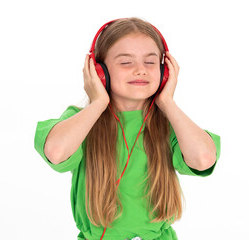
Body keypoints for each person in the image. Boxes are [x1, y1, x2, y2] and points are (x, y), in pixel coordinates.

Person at [34, 17, 221, 240]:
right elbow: (56, 151)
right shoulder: (81, 120)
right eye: (126, 62)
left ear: (165, 72)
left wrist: (168, 102)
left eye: (150, 63)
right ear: (99, 71)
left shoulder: (170, 122)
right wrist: (98, 103)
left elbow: (203, 158)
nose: (140, 70)